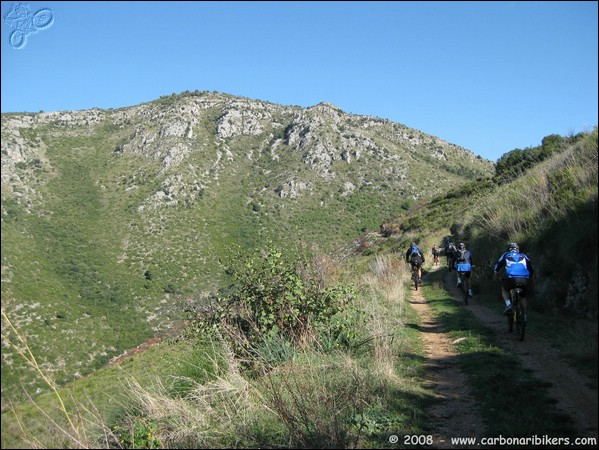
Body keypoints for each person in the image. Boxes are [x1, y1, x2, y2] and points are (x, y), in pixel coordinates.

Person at [493, 242, 534, 316]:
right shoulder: (523, 255)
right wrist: (529, 277)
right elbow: (531, 268)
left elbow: (497, 267)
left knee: (504, 289)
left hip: (511, 278)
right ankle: (524, 317)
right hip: (524, 279)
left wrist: (495, 276)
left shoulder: (505, 254)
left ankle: (509, 305)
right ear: (518, 249)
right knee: (523, 297)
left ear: (509, 249)